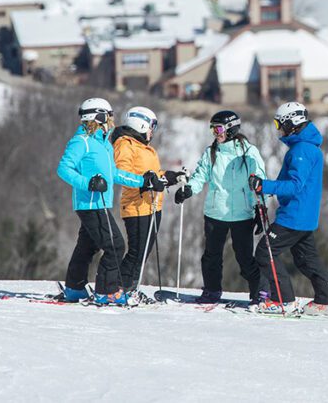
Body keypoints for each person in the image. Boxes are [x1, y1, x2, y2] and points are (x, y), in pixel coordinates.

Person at [56, 98, 163, 306]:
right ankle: (106, 291)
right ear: (99, 117)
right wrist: (88, 183)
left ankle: (74, 288)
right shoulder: (82, 142)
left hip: (101, 203)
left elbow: (114, 173)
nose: (113, 120)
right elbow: (64, 169)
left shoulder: (103, 143)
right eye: (109, 115)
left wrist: (144, 182)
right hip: (90, 203)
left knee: (88, 246)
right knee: (115, 245)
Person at [248, 102, 328, 316]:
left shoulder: (301, 150)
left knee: (265, 252)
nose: (278, 129)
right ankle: (327, 301)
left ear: (292, 123)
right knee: (306, 259)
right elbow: (291, 183)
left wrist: (265, 185)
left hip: (294, 216)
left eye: (279, 124)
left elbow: (295, 185)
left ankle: (283, 300)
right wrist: (264, 187)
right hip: (303, 216)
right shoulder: (307, 147)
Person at [177, 110, 266, 304]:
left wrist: (260, 208)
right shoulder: (211, 153)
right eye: (212, 129)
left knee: (244, 258)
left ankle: (259, 292)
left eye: (217, 128)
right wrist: (189, 189)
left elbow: (260, 181)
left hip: (242, 214)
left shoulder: (249, 153)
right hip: (216, 213)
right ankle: (211, 290)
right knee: (211, 256)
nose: (215, 133)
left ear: (231, 128)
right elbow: (200, 176)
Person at [112, 106, 181, 300]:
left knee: (142, 253)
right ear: (141, 124)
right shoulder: (125, 144)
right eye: (152, 126)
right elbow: (121, 174)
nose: (153, 131)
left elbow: (151, 175)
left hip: (152, 206)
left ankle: (130, 289)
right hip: (136, 207)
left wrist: (169, 176)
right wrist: (147, 181)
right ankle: (118, 289)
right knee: (136, 253)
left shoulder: (144, 147)